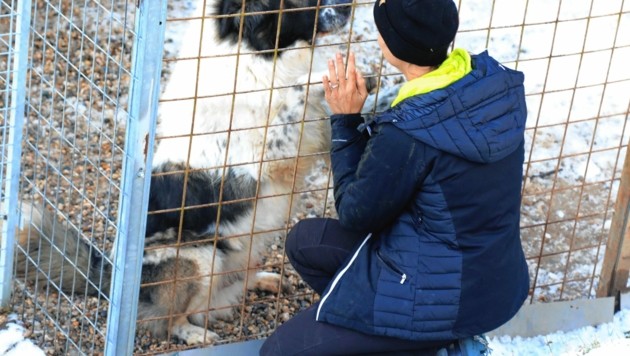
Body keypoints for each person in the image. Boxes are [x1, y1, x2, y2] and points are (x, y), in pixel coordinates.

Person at [260, 0, 529, 354]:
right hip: (495, 282)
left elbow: (356, 214)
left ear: (393, 44)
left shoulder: (410, 132)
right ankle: (398, 336)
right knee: (305, 243)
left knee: (278, 352)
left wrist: (345, 119)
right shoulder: (493, 84)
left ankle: (424, 340)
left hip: (438, 300)